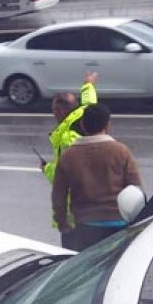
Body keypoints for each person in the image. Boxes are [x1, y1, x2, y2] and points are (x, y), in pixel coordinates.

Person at [52, 104, 143, 251]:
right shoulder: (121, 151)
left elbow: (59, 195)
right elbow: (135, 189)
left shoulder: (68, 156)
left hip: (84, 227)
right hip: (120, 225)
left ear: (82, 124)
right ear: (107, 125)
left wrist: (62, 222)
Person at [43, 71, 98, 235]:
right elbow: (89, 103)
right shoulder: (83, 117)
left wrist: (47, 169)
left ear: (59, 111)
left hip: (76, 212)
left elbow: (63, 177)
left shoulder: (67, 138)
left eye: (53, 109)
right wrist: (88, 84)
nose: (52, 113)